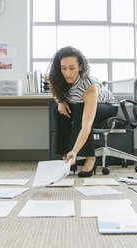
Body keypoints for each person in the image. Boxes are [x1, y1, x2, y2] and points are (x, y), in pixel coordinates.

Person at [48, 46, 118, 178]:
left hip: (107, 107)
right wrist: (60, 102)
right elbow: (53, 88)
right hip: (82, 105)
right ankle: (66, 156)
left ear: (80, 67)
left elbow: (86, 125)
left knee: (80, 109)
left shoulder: (88, 85)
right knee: (60, 112)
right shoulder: (59, 78)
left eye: (72, 68)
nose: (67, 73)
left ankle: (90, 158)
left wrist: (75, 150)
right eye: (64, 68)